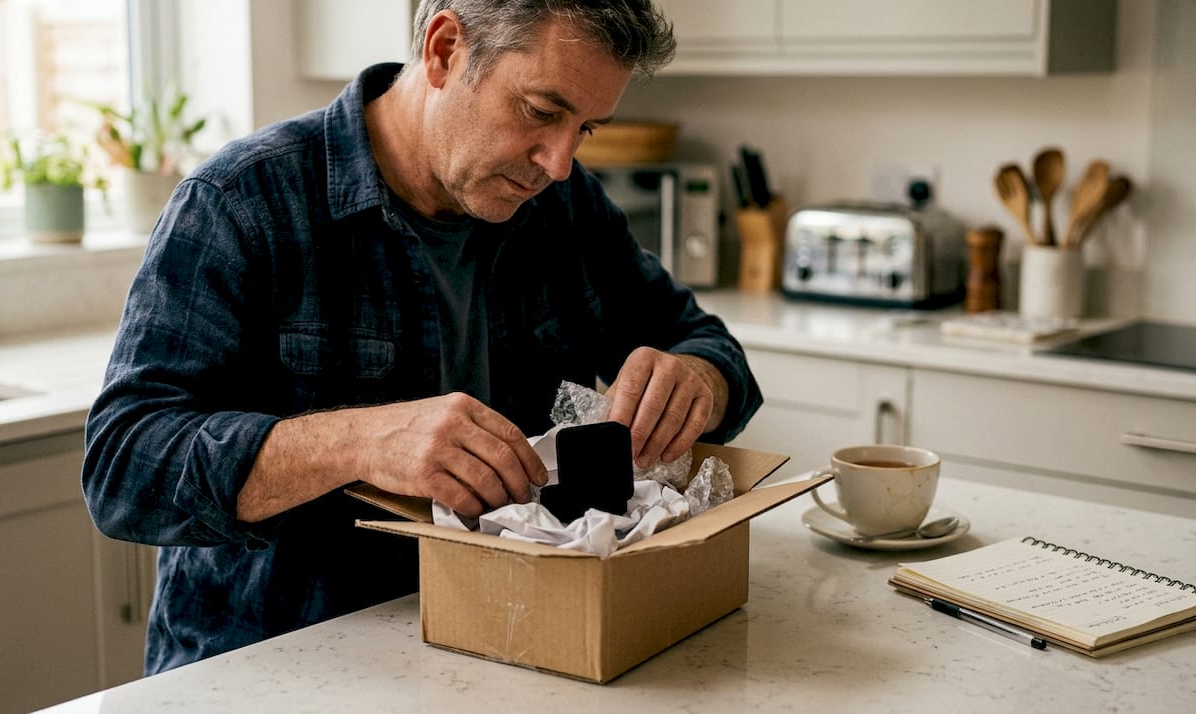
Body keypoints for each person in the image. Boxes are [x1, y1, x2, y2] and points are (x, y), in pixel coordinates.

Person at [82, 0, 762, 675]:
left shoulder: (563, 208)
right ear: (444, 50)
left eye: (585, 128)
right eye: (541, 111)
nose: (558, 162)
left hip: (505, 653)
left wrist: (699, 378)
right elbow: (122, 468)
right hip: (268, 673)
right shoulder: (241, 201)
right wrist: (360, 442)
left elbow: (705, 342)